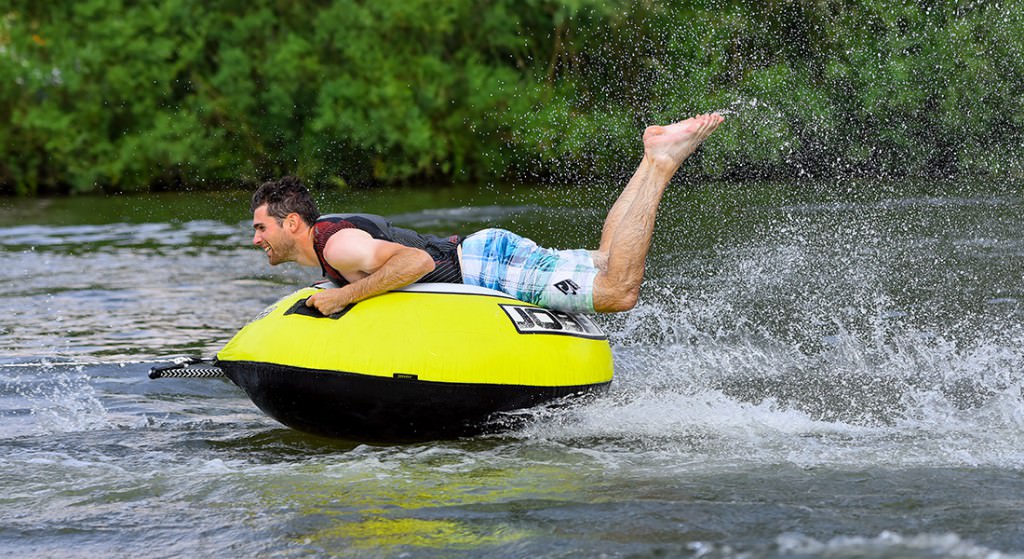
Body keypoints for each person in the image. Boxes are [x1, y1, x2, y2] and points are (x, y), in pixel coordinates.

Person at [251, 113, 723, 316]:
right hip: (484, 254)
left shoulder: (336, 244)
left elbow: (415, 264)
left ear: (292, 223)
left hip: (484, 266)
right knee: (605, 260)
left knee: (617, 290)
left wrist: (345, 298)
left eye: (261, 227)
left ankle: (660, 165)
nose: (256, 239)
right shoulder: (330, 244)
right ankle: (652, 157)